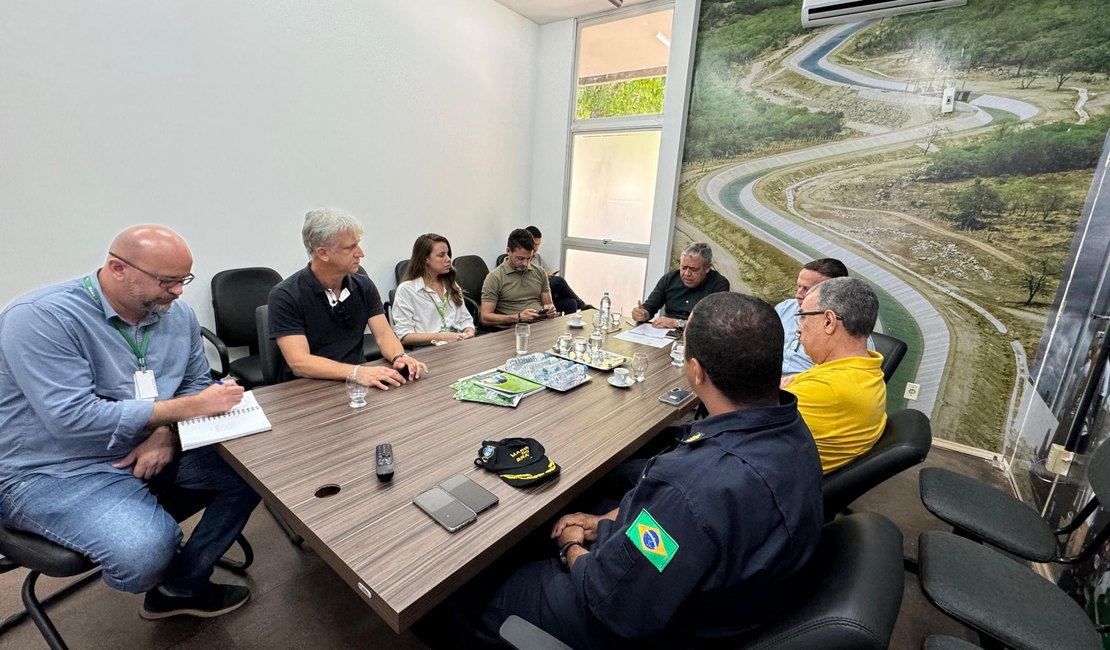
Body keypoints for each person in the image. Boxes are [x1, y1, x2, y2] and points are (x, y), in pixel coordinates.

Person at [423, 292, 823, 648]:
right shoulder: (792, 430)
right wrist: (601, 524)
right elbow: (668, 539)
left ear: (696, 371)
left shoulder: (692, 490)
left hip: (648, 624)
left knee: (472, 590)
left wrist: (571, 547)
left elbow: (611, 599)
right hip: (730, 595)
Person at [0, 225, 260, 619]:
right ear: (118, 268)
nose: (178, 292)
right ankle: (160, 565)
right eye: (167, 281)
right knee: (143, 554)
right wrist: (183, 411)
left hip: (145, 443)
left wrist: (165, 435)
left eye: (183, 280)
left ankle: (181, 586)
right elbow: (73, 419)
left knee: (257, 472)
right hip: (52, 470)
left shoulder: (178, 315)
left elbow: (190, 384)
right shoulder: (39, 318)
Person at [268, 208, 427, 390]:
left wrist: (399, 357)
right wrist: (357, 372)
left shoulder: (363, 285)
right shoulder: (285, 295)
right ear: (323, 253)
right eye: (350, 248)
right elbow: (299, 362)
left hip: (356, 381)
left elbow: (384, 335)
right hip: (307, 388)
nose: (360, 253)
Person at [782, 277, 887, 473]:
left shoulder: (825, 389)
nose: (798, 328)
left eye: (803, 316)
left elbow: (740, 430)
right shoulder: (867, 368)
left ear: (829, 321)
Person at [391, 233, 475, 346]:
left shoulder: (451, 284)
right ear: (426, 259)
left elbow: (464, 319)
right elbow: (404, 336)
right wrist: (441, 336)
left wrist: (469, 331)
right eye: (441, 255)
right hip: (427, 349)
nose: (448, 259)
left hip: (457, 345)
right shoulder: (407, 290)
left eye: (448, 254)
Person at [776, 258, 850, 375]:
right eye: (799, 286)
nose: (798, 295)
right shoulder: (785, 308)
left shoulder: (851, 332)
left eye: (806, 289)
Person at [631, 242, 730, 329]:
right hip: (664, 335)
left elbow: (715, 324)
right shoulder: (670, 278)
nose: (686, 273)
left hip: (698, 339)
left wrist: (677, 323)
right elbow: (650, 307)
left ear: (707, 268)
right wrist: (643, 314)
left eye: (693, 269)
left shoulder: (719, 284)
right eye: (683, 267)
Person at [480, 228, 556, 328]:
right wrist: (518, 317)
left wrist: (550, 310)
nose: (525, 263)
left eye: (529, 258)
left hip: (541, 325)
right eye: (520, 258)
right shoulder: (494, 277)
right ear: (508, 251)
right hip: (515, 330)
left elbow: (548, 304)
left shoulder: (540, 272)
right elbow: (485, 318)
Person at [524, 225, 587, 313]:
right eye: (534, 244)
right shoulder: (522, 258)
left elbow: (548, 271)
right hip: (535, 292)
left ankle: (577, 308)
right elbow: (526, 279)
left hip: (545, 291)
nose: (536, 248)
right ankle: (582, 304)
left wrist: (548, 275)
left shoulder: (537, 257)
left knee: (572, 303)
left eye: (538, 244)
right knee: (559, 281)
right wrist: (544, 275)